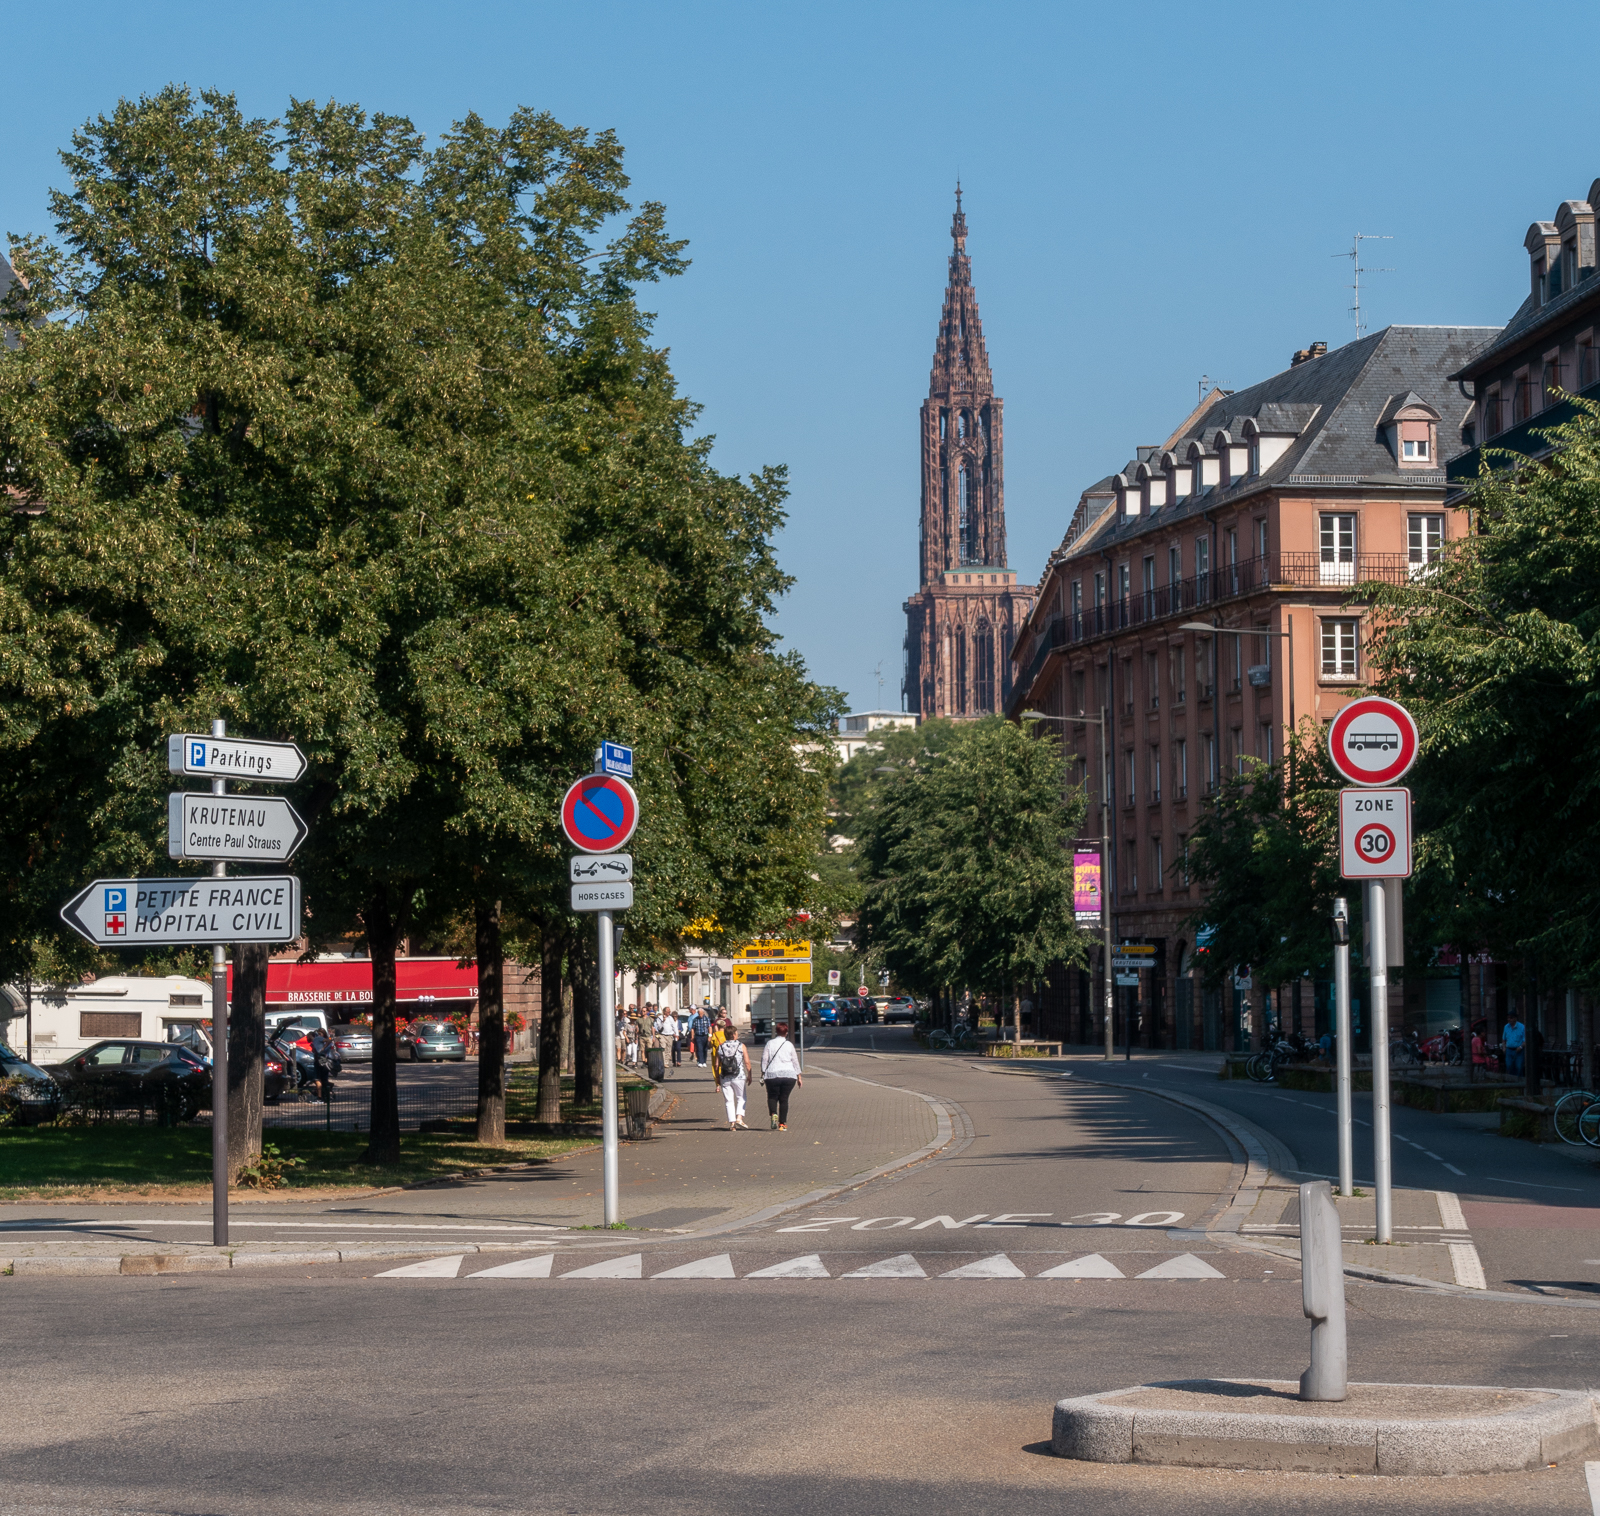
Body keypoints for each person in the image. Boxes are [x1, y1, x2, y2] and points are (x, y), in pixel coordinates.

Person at [760, 1020, 802, 1131]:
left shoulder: (770, 1043)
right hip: (789, 1075)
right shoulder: (789, 1045)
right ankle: (782, 1123)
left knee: (772, 1096)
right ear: (786, 1032)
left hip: (772, 1074)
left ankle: (774, 1113)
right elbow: (795, 1060)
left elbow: (764, 1059)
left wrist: (763, 1071)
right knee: (784, 1099)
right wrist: (799, 1076)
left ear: (776, 1031)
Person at [714, 1019, 750, 1129]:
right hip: (738, 1076)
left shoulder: (720, 1047)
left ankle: (732, 1124)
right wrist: (750, 1074)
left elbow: (716, 1065)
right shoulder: (741, 1046)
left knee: (728, 1100)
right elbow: (747, 1062)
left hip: (725, 1076)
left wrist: (717, 1080)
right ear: (734, 1034)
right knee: (741, 1097)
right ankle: (739, 1117)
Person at [1503, 1010, 1526, 1077]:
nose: (1509, 1020)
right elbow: (1504, 1039)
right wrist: (1504, 1048)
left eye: (1511, 1018)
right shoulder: (1506, 1027)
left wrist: (1521, 1047)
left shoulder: (1522, 1027)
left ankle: (1519, 1083)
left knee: (1519, 1067)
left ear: (1515, 1018)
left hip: (1518, 1050)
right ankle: (1511, 1084)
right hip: (1509, 1050)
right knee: (1509, 1066)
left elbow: (1525, 1041)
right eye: (1508, 1018)